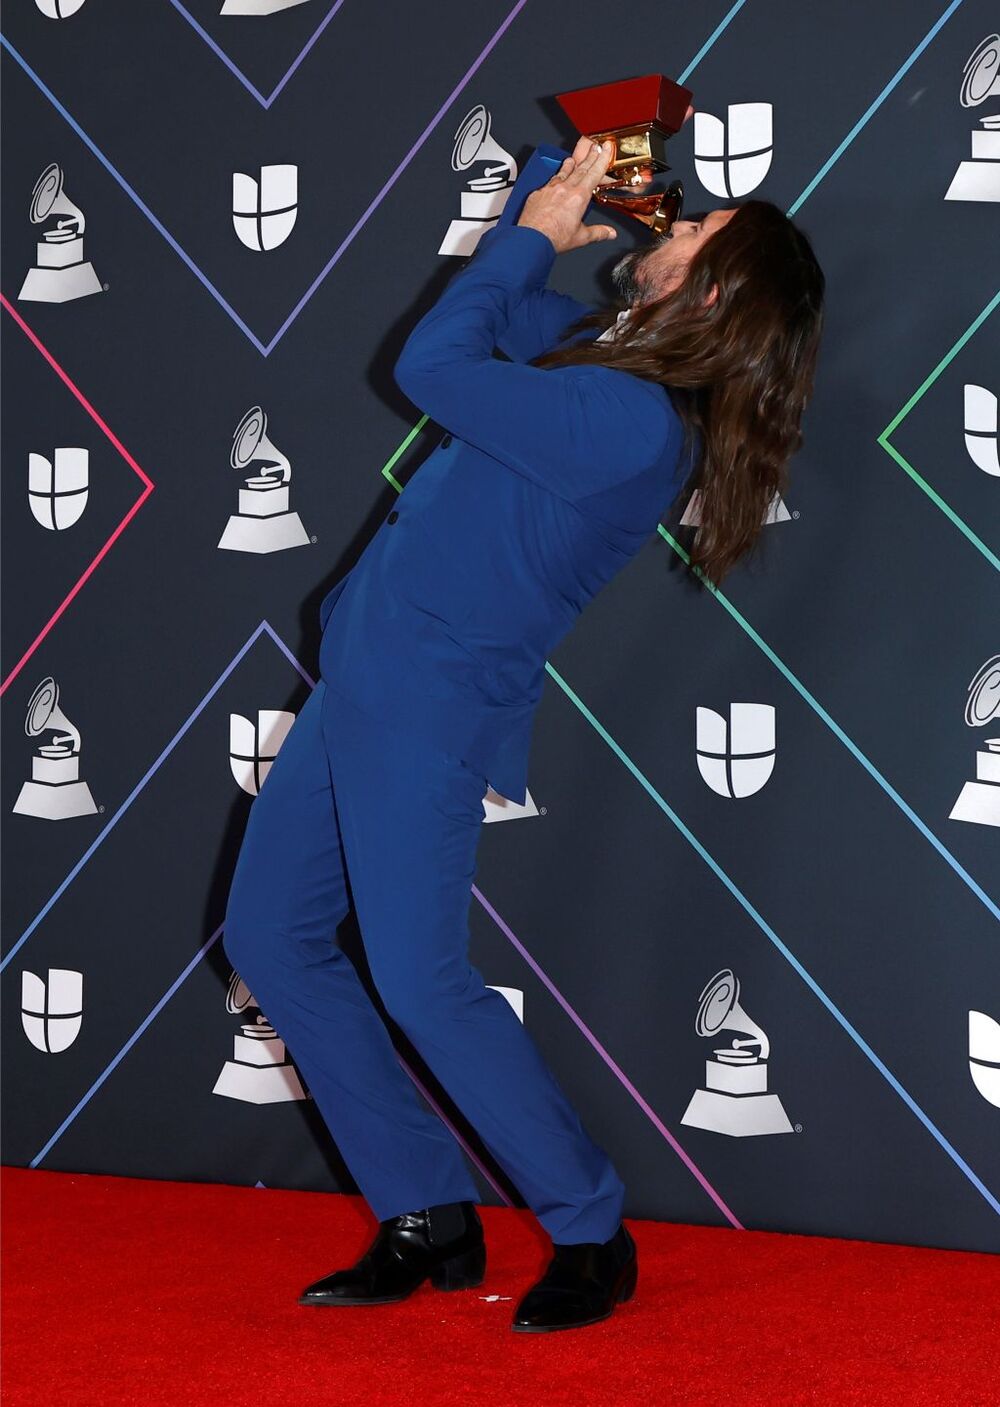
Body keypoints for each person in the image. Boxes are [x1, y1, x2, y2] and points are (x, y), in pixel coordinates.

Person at [222, 135, 825, 1334]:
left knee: (421, 980)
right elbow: (511, 312)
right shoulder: (601, 367)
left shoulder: (629, 421)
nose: (674, 224)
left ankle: (592, 1230)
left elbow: (439, 362)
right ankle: (424, 1210)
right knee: (272, 939)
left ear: (714, 290)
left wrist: (534, 235)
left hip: (430, 704)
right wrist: (567, 179)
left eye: (695, 230)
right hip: (367, 680)